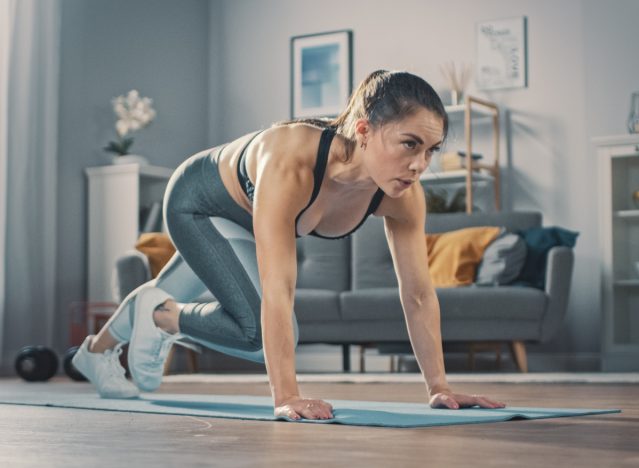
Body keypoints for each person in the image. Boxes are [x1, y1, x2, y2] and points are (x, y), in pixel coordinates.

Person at [73, 70, 506, 420]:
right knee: (258, 332)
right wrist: (287, 396)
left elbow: (417, 294)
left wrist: (439, 388)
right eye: (409, 144)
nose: (420, 165)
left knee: (177, 292)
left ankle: (94, 352)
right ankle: (161, 317)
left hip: (239, 223)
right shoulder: (293, 163)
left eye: (430, 150)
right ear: (364, 131)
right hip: (199, 205)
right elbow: (278, 288)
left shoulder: (403, 196)